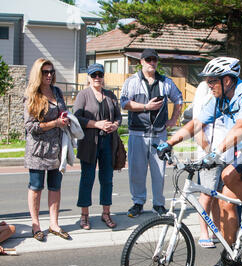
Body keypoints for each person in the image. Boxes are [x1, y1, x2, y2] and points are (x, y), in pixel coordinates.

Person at [157, 57, 242, 266]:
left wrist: (215, 153)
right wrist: (169, 143)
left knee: (228, 174)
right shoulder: (220, 100)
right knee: (225, 201)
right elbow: (196, 124)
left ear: (227, 80)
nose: (209, 86)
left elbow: (241, 126)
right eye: (207, 82)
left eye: (212, 81)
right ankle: (230, 257)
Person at [120, 48, 183, 217]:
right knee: (136, 171)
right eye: (148, 60)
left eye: (154, 60)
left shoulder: (165, 82)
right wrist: (145, 107)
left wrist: (173, 120)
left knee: (159, 172)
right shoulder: (132, 81)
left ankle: (159, 204)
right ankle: (138, 202)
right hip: (137, 133)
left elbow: (179, 99)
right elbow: (124, 103)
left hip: (159, 134)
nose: (152, 63)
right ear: (141, 62)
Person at [24, 58, 71, 241]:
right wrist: (55, 123)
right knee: (36, 187)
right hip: (38, 149)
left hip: (57, 147)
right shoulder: (31, 95)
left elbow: (63, 111)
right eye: (45, 72)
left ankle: (54, 223)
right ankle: (35, 225)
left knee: (55, 186)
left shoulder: (57, 91)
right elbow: (30, 126)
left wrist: (65, 119)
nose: (49, 75)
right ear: (38, 74)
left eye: (51, 72)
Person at [73, 63, 122, 230]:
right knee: (87, 178)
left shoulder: (110, 95)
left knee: (107, 179)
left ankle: (106, 213)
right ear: (88, 77)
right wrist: (96, 124)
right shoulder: (83, 95)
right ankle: (84, 215)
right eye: (94, 75)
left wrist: (114, 125)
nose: (97, 78)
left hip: (108, 142)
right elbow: (77, 118)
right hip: (89, 143)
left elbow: (118, 117)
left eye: (100, 75)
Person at [191, 81, 230, 248]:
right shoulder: (206, 97)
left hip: (226, 153)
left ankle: (215, 229)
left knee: (218, 194)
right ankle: (204, 232)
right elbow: (197, 128)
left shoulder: (225, 99)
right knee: (207, 194)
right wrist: (209, 152)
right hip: (211, 154)